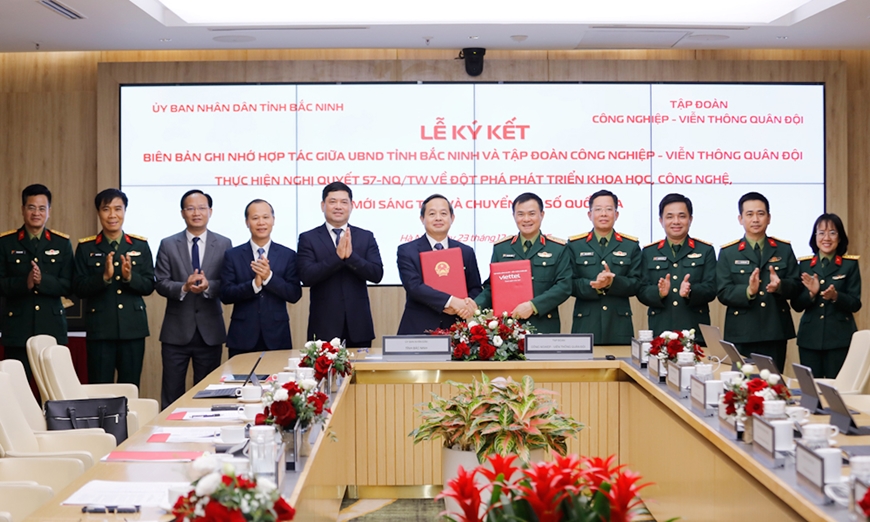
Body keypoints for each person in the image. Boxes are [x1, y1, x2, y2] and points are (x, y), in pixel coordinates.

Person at [154, 189, 233, 408]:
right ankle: (170, 427)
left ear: (210, 211)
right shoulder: (168, 244)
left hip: (210, 331)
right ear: (182, 213)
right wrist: (184, 287)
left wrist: (209, 286)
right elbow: (160, 282)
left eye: (201, 208)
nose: (196, 213)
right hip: (175, 332)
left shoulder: (224, 243)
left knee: (208, 395)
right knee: (172, 393)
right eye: (190, 208)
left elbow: (228, 282)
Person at [73, 188, 154, 386]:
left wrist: (130, 277)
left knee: (130, 387)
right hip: (100, 330)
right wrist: (104, 278)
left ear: (125, 211)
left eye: (118, 209)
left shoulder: (140, 245)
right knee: (100, 389)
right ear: (98, 212)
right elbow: (78, 288)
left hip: (132, 329)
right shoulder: (86, 247)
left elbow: (149, 285)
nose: (112, 215)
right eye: (106, 209)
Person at [716, 192, 800, 372]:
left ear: (769, 218)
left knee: (773, 382)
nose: (755, 219)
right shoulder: (728, 252)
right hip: (741, 332)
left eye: (761, 214)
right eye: (749, 214)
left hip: (775, 330)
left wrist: (780, 286)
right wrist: (748, 291)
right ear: (740, 219)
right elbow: (723, 291)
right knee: (741, 383)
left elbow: (796, 286)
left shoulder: (783, 249)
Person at [0, 184, 73, 382]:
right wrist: (25, 283)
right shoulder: (6, 243)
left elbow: (69, 284)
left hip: (51, 327)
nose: (36, 213)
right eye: (31, 207)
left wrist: (43, 281)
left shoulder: (61, 243)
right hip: (18, 328)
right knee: (16, 387)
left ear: (49, 211)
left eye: (42, 208)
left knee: (53, 389)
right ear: (23, 209)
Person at [297, 182, 383, 346]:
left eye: (344, 202)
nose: (338, 206)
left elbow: (376, 274)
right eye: (332, 201)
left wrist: (351, 257)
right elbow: (306, 276)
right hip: (323, 327)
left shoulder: (365, 237)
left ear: (351, 206)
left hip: (358, 326)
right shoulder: (308, 238)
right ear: (323, 205)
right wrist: (337, 257)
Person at [475, 193, 571, 334]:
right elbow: (492, 287)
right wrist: (474, 305)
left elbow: (564, 286)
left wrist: (533, 306)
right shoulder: (502, 248)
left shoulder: (558, 248)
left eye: (532, 214)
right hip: (508, 329)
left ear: (542, 215)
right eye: (520, 214)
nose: (526, 219)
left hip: (544, 326)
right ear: (514, 216)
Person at [220, 199, 301, 358]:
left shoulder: (288, 255)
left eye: (265, 217)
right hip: (242, 336)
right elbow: (225, 294)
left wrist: (269, 278)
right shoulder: (233, 255)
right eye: (255, 218)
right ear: (247, 222)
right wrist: (253, 285)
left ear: (273, 220)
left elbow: (294, 294)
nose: (261, 222)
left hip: (277, 336)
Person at [637, 193, 717, 344]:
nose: (676, 221)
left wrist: (690, 292)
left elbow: (712, 288)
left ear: (690, 219)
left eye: (682, 216)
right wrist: (658, 293)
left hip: (694, 332)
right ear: (661, 221)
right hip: (660, 331)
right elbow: (641, 290)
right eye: (669, 217)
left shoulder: (705, 250)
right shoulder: (649, 252)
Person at [397, 194, 481, 334]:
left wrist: (465, 305)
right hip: (418, 328)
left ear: (452, 218)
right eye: (432, 214)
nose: (438, 218)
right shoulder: (407, 251)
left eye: (443, 213)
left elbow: (475, 288)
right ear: (422, 219)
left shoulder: (465, 251)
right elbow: (414, 287)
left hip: (455, 328)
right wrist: (451, 302)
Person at [791, 213, 861, 378]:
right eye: (821, 233)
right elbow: (796, 305)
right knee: (811, 388)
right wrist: (811, 293)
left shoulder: (849, 265)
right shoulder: (805, 265)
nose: (826, 238)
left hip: (839, 338)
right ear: (815, 237)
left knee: (836, 388)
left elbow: (855, 303)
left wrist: (836, 296)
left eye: (832, 233)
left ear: (840, 237)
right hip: (810, 338)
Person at [568, 189, 641, 345]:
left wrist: (612, 283)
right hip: (586, 324)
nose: (603, 214)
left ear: (616, 214)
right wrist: (594, 285)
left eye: (609, 209)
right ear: (590, 215)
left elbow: (636, 283)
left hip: (619, 325)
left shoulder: (630, 246)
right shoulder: (575, 245)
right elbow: (569, 283)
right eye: (598, 209)